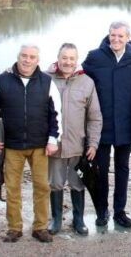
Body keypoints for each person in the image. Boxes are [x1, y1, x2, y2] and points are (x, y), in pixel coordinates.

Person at [0, 44, 60, 243]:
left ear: (37, 60)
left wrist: (53, 140)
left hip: (40, 146)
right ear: (18, 57)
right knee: (12, 188)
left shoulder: (47, 82)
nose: (27, 60)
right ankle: (14, 228)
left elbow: (56, 115)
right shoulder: (2, 80)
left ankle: (40, 227)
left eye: (32, 57)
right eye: (24, 56)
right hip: (12, 146)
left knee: (42, 187)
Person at [82, 21, 131, 229]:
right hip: (101, 126)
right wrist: (54, 68)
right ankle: (102, 211)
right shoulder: (95, 57)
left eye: (121, 36)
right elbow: (78, 76)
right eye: (113, 35)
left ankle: (120, 211)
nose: (116, 39)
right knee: (101, 170)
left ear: (128, 38)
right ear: (108, 35)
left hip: (126, 125)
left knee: (123, 169)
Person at [46, 43, 102, 236]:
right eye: (64, 58)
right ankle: (56, 219)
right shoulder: (45, 79)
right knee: (55, 183)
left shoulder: (87, 82)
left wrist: (93, 143)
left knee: (78, 183)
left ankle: (78, 219)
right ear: (58, 58)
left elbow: (95, 117)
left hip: (78, 146)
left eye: (72, 58)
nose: (68, 62)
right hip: (54, 145)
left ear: (76, 60)